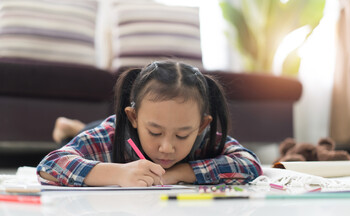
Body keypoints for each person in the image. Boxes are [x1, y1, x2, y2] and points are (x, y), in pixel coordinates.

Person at [37, 61, 263, 187]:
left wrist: (181, 172)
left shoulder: (204, 136)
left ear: (202, 126)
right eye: (155, 132)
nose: (167, 147)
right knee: (83, 133)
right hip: (101, 131)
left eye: (182, 135)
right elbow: (50, 166)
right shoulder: (110, 135)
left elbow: (250, 164)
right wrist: (118, 174)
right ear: (134, 117)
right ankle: (71, 127)